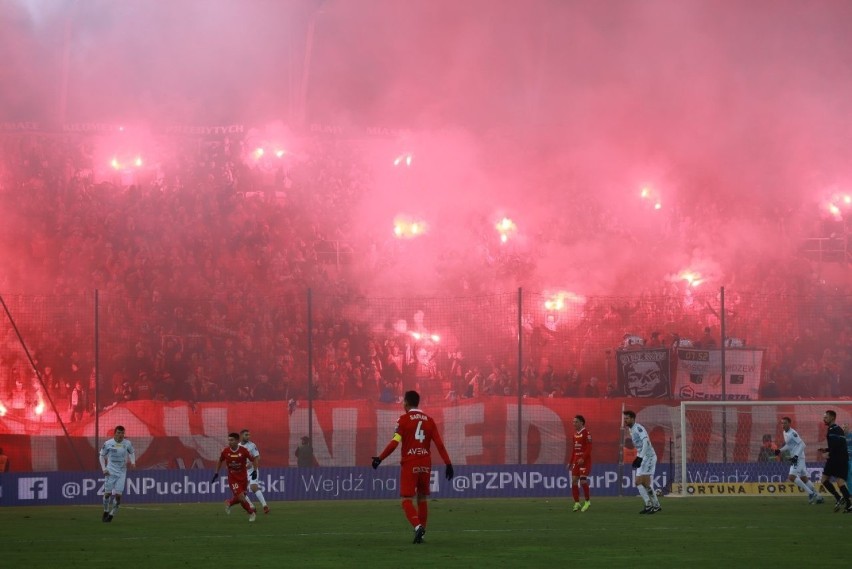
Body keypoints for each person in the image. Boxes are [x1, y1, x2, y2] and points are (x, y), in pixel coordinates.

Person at [371, 390, 454, 544]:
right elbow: (439, 444)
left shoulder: (403, 420)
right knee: (422, 498)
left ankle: (417, 527)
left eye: (403, 402)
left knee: (406, 499)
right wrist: (448, 463)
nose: (403, 404)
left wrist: (380, 458)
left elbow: (395, 442)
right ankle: (422, 534)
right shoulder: (429, 420)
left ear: (407, 403)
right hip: (425, 463)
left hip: (410, 462)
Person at [212, 432, 259, 522]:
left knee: (242, 497)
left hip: (243, 478)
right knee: (241, 497)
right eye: (229, 440)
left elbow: (254, 459)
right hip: (233, 478)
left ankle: (229, 503)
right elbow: (220, 460)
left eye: (232, 440)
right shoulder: (225, 451)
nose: (230, 442)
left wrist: (255, 471)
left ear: (237, 441)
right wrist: (216, 473)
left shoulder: (244, 451)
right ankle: (251, 512)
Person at [774, 417, 822, 503]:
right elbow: (789, 445)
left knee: (791, 477)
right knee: (804, 478)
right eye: (782, 423)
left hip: (798, 457)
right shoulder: (785, 432)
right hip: (797, 457)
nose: (783, 425)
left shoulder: (793, 433)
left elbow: (802, 444)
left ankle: (811, 493)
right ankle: (819, 497)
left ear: (789, 423)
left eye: (785, 423)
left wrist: (795, 456)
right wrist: (780, 450)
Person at [623, 410, 661, 514]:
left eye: (627, 418)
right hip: (642, 457)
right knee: (638, 483)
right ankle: (650, 505)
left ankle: (655, 505)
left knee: (645, 483)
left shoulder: (638, 428)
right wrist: (639, 457)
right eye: (624, 418)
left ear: (632, 419)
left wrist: (640, 457)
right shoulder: (631, 429)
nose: (625, 420)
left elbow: (646, 442)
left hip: (649, 457)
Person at [98, 425, 136, 522]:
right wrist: (104, 469)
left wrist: (133, 462)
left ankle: (111, 514)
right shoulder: (108, 443)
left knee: (118, 496)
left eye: (122, 433)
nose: (121, 435)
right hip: (110, 471)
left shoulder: (127, 443)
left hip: (122, 472)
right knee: (107, 494)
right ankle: (106, 510)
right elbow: (101, 456)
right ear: (115, 433)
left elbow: (132, 452)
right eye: (119, 433)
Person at [817, 410, 852, 512]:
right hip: (839, 458)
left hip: (836, 459)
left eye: (826, 417)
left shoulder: (834, 429)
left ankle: (842, 499)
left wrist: (828, 453)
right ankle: (845, 502)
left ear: (832, 418)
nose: (824, 419)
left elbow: (837, 446)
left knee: (829, 480)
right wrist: (827, 450)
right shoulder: (835, 429)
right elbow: (839, 445)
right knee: (837, 481)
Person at [240, 429, 269, 514]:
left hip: (252, 469)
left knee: (253, 487)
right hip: (242, 471)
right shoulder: (237, 446)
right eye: (246, 435)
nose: (248, 436)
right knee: (240, 492)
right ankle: (251, 506)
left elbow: (257, 457)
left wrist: (252, 465)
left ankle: (265, 506)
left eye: (249, 435)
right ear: (241, 436)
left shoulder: (252, 445)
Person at [570, 415, 592, 512]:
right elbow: (574, 450)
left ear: (581, 423)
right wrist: (570, 462)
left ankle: (587, 501)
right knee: (574, 481)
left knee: (583, 481)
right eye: (573, 422)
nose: (574, 423)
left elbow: (589, 448)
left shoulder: (586, 433)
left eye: (576, 422)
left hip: (585, 460)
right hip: (576, 460)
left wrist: (583, 458)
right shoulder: (575, 434)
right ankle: (577, 503)